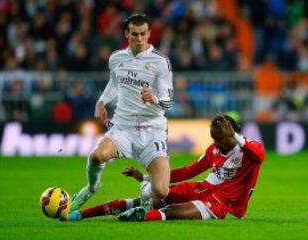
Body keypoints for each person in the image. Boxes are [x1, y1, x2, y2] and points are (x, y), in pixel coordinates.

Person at [65, 113, 265, 221]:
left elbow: (259, 154)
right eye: (215, 140)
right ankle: (81, 214)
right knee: (144, 198)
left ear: (232, 135)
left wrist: (235, 138)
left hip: (219, 202)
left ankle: (142, 216)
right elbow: (188, 171)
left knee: (174, 212)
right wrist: (145, 177)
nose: (217, 144)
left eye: (220, 139)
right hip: (201, 188)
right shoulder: (214, 150)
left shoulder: (247, 150)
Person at [70, 14, 174, 211]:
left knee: (161, 191)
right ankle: (92, 187)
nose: (140, 39)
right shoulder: (116, 58)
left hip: (152, 130)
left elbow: (168, 102)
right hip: (123, 127)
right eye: (135, 34)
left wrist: (153, 98)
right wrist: (101, 101)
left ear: (149, 34)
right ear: (127, 34)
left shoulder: (160, 62)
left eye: (144, 34)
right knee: (96, 156)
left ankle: (145, 187)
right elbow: (114, 83)